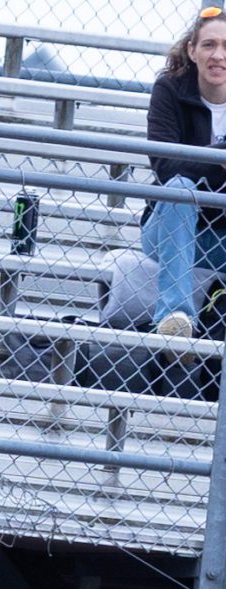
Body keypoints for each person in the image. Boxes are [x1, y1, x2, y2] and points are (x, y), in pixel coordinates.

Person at [141, 5, 226, 339]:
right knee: (179, 187)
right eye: (209, 45)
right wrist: (219, 157)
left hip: (221, 238)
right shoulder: (170, 89)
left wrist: (200, 161)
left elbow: (181, 160)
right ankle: (174, 319)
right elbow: (165, 165)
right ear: (192, 51)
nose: (218, 55)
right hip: (168, 231)